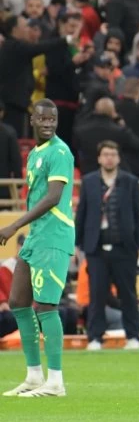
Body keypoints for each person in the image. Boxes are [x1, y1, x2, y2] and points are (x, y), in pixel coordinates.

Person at [1, 100, 74, 398]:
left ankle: (55, 381)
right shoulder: (33, 154)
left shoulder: (60, 151)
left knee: (45, 306)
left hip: (53, 235)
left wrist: (14, 225)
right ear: (31, 119)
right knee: (18, 300)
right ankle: (34, 375)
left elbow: (53, 197)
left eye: (52, 118)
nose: (48, 122)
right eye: (42, 118)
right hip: (36, 236)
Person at [75, 141, 139, 350]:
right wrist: (77, 245)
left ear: (118, 158)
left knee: (128, 294)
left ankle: (133, 337)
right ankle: (95, 338)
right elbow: (82, 214)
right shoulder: (89, 182)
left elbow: (138, 215)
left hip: (124, 247)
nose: (109, 158)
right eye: (105, 154)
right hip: (96, 248)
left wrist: (138, 245)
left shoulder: (130, 182)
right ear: (99, 158)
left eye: (113, 154)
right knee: (96, 295)